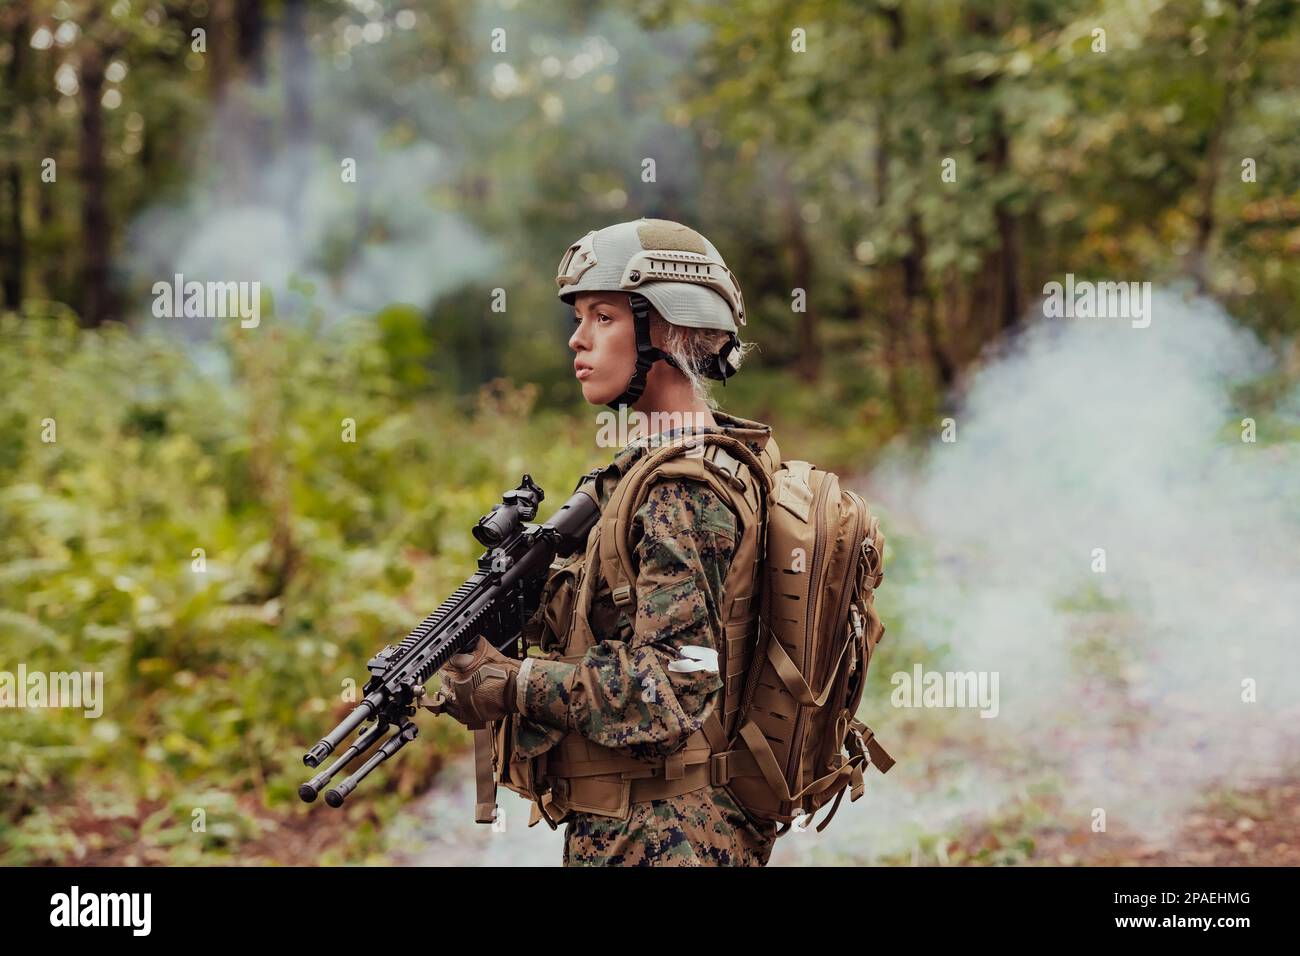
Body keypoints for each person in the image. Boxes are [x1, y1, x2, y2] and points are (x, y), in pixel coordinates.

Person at [425, 217, 780, 866]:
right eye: (579, 317)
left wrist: (514, 683)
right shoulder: (667, 461)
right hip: (651, 826)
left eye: (603, 317)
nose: (576, 339)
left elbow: (676, 685)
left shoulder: (682, 487)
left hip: (665, 836)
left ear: (667, 328)